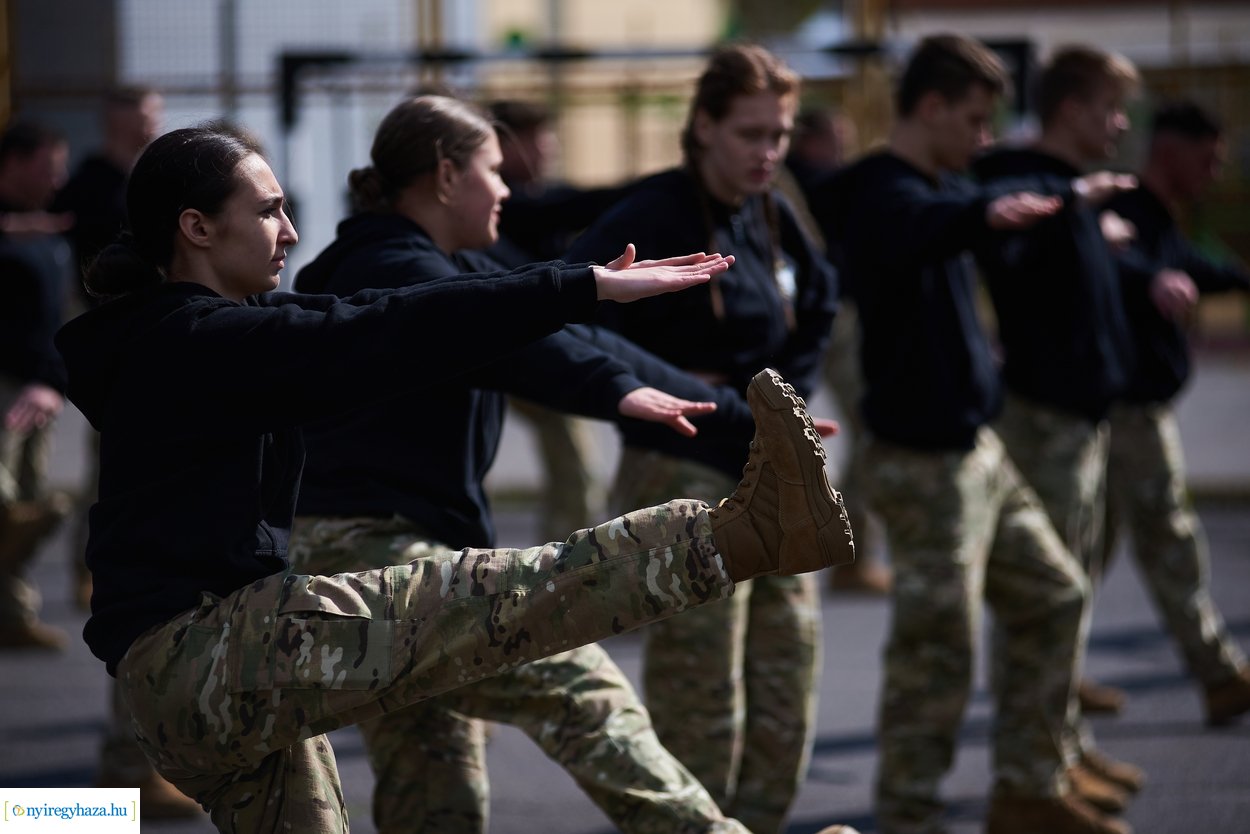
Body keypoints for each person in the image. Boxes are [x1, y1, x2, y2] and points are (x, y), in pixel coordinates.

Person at [54, 124, 856, 834]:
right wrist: (580, 285)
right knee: (499, 597)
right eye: (267, 211)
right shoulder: (196, 343)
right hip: (202, 654)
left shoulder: (200, 341)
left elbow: (423, 324)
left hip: (203, 671)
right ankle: (733, 538)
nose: (291, 231)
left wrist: (613, 342)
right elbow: (384, 323)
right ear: (195, 227)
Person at [290, 93, 804, 834]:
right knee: (580, 684)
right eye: (494, 170)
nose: (507, 189)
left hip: (382, 561)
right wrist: (621, 395)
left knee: (433, 781)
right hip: (363, 560)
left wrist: (725, 407)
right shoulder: (387, 267)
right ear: (443, 176)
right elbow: (515, 339)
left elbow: (572, 333)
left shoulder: (452, 262)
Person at [813, 33, 1138, 834]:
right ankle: (907, 812)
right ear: (928, 108)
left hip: (976, 450)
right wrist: (987, 210)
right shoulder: (886, 193)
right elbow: (929, 224)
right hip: (921, 462)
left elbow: (958, 211)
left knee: (1056, 592)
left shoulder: (936, 185)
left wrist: (1026, 208)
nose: (985, 137)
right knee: (936, 652)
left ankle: (1029, 783)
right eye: (973, 118)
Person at [566, 44, 851, 834]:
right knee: (703, 694)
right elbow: (566, 311)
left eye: (780, 134)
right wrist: (696, 393)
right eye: (750, 133)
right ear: (703, 127)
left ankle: (753, 823)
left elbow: (821, 295)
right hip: (684, 469)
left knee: (787, 678)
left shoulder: (770, 208)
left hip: (775, 469)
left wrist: (780, 391)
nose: (768, 151)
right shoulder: (654, 211)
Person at [971, 46, 1149, 786]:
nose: (1117, 125)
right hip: (1041, 420)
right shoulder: (1022, 184)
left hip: (1080, 421)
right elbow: (999, 269)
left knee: (1068, 595)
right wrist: (1068, 215)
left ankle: (1060, 749)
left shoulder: (1068, 191)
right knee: (1042, 602)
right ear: (1072, 107)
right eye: (1111, 108)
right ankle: (1037, 766)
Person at [1100, 100, 1250, 726]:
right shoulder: (1125, 212)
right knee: (1171, 542)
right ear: (1170, 150)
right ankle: (1219, 673)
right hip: (1127, 411)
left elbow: (1187, 266)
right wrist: (1149, 278)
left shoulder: (1160, 219)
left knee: (1081, 551)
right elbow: (1124, 265)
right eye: (1207, 159)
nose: (1215, 173)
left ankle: (1043, 681)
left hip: (1125, 409)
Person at [484, 99, 636, 540]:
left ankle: (561, 555)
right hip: (510, 347)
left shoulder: (535, 198)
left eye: (547, 136)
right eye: (534, 138)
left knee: (573, 462)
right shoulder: (507, 203)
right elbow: (570, 206)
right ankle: (563, 564)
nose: (546, 148)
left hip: (535, 343)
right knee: (574, 464)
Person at [785, 106, 892, 596]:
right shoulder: (798, 183)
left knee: (869, 429)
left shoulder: (816, 183)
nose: (842, 149)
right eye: (835, 138)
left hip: (835, 318)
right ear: (809, 141)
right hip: (811, 322)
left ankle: (850, 553)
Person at [0, 120, 74, 651]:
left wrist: (50, 381)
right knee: (6, 505)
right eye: (50, 167)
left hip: (38, 389)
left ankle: (12, 614)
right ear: (16, 163)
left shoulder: (50, 233)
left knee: (31, 498)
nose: (59, 178)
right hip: (4, 389)